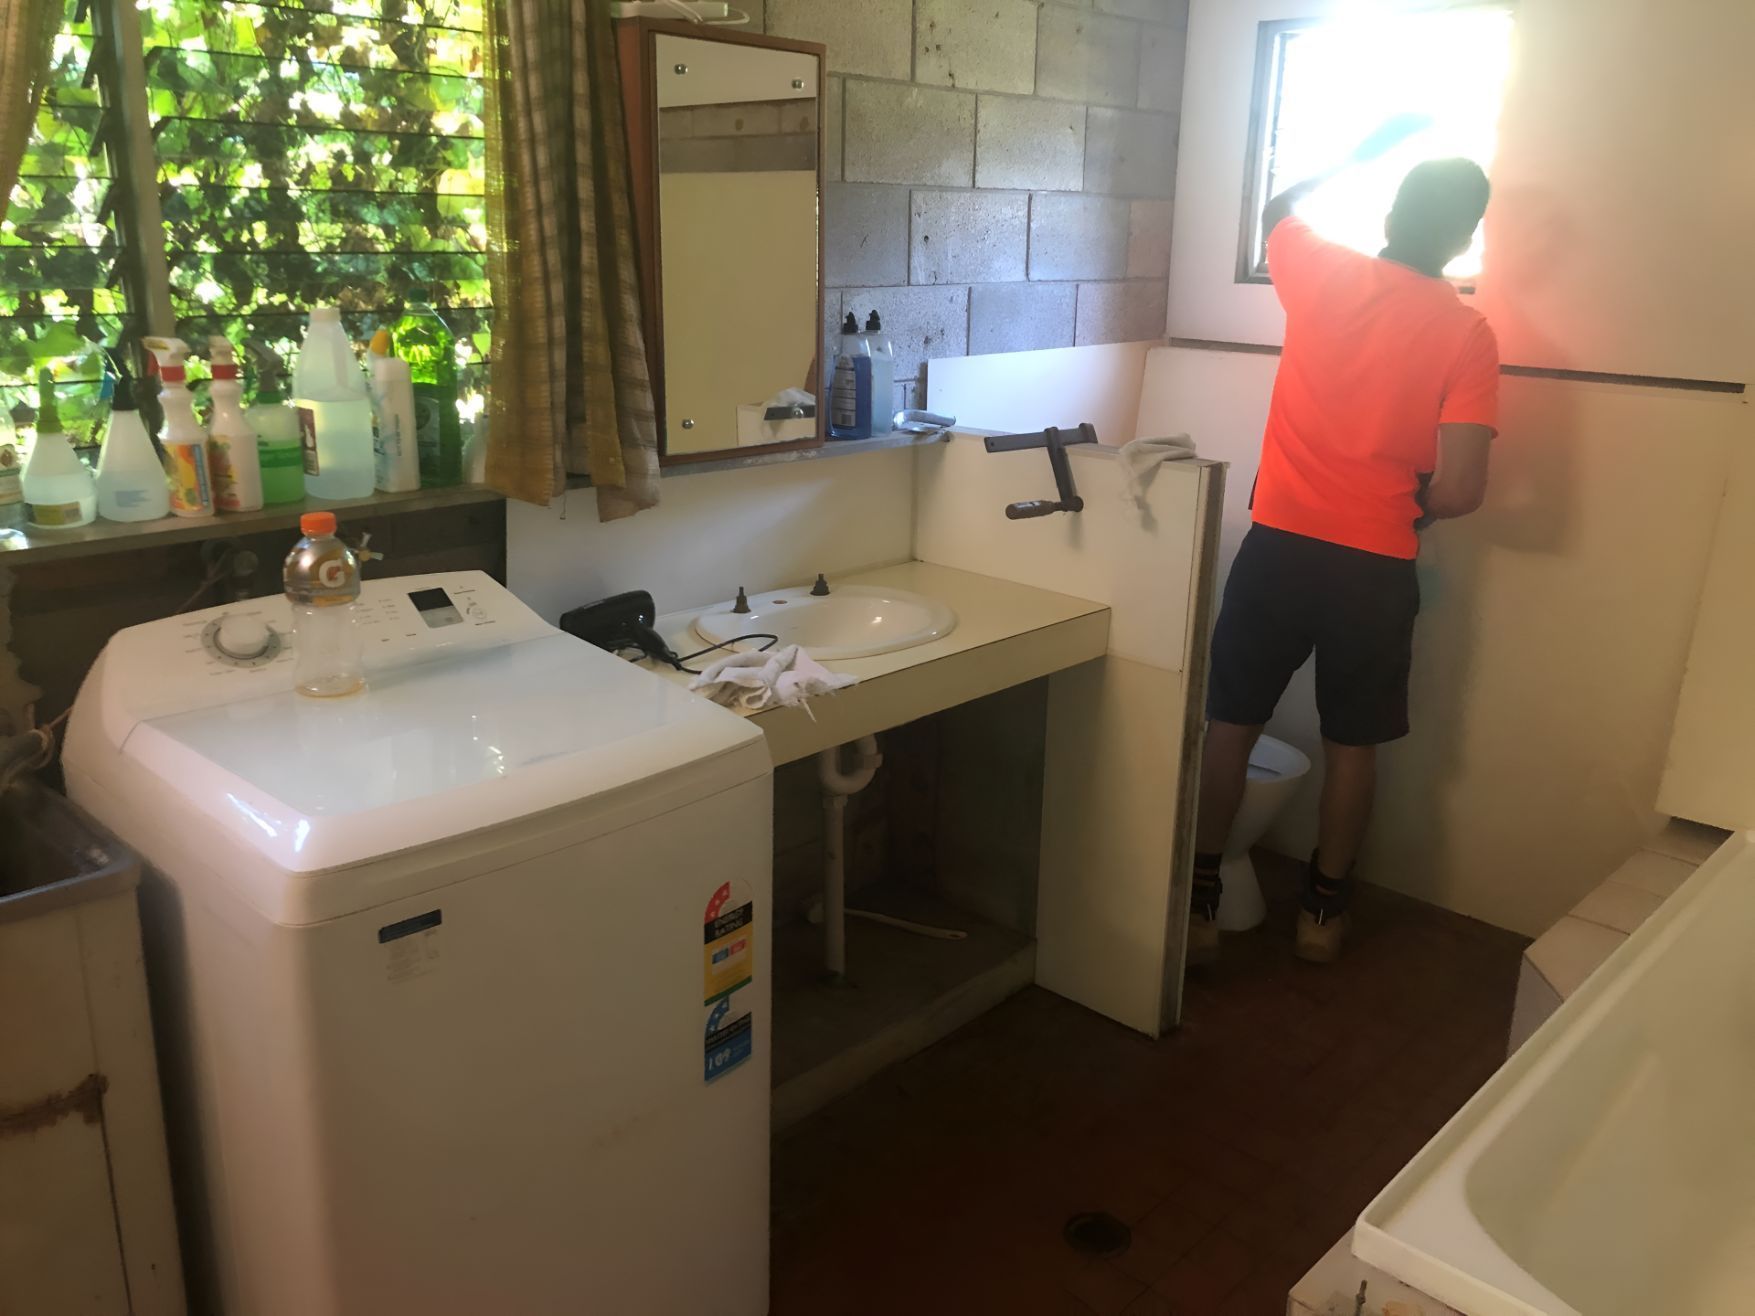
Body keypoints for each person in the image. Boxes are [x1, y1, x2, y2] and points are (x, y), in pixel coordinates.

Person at [1190, 137, 1499, 966]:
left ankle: (1197, 900)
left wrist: (1359, 151)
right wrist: (1413, 510)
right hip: (1373, 567)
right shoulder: (1466, 333)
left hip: (1278, 545)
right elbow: (1464, 489)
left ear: (1392, 215)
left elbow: (1274, 210)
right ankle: (1321, 916)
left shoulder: (1320, 271)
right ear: (1464, 239)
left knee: (1230, 726)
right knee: (1350, 743)